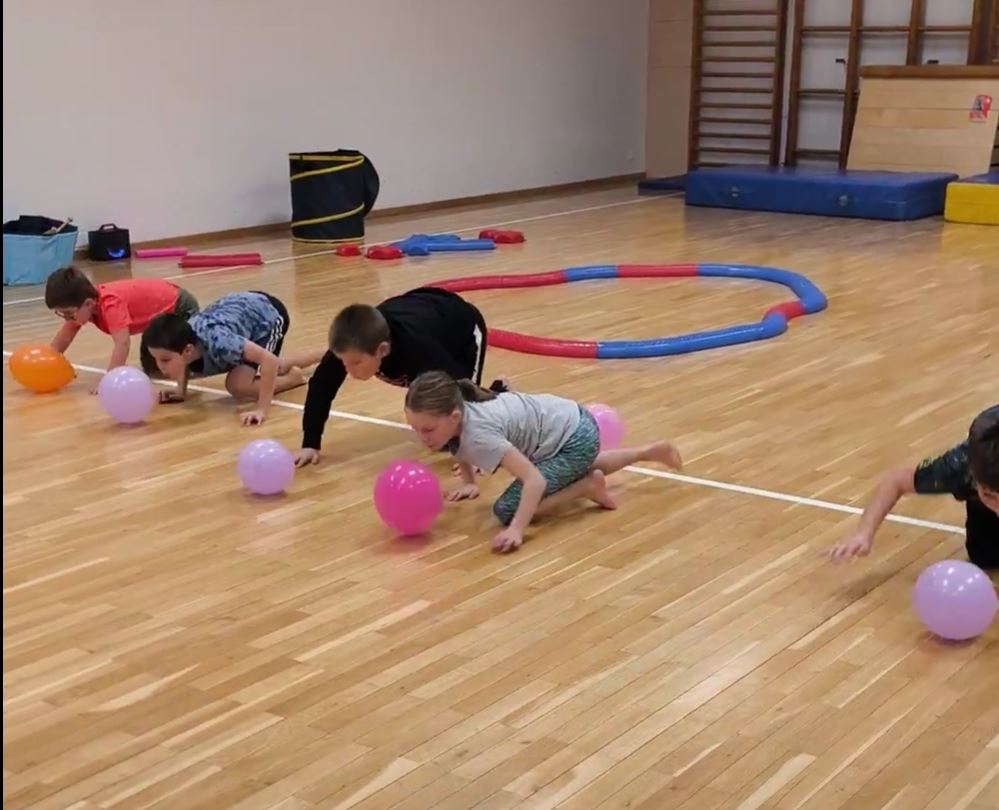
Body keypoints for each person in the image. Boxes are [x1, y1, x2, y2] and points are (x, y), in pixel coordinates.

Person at [403, 371, 683, 553]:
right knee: (578, 463)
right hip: (572, 424)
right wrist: (469, 482)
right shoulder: (458, 417)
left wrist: (517, 529)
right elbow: (457, 445)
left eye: (427, 430)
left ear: (454, 417)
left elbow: (534, 480)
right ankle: (648, 452)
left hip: (574, 437)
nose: (421, 437)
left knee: (506, 509)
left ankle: (586, 486)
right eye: (414, 428)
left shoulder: (479, 435)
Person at [295, 286, 505, 467]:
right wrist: (310, 443)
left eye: (356, 363)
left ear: (382, 349)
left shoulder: (420, 350)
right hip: (421, 313)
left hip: (461, 328)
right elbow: (321, 386)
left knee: (459, 409)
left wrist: (475, 454)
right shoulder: (352, 345)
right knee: (441, 429)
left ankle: (501, 394)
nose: (347, 370)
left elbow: (462, 390)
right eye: (343, 362)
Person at [828, 404, 998, 569]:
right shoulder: (958, 466)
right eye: (990, 496)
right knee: (984, 554)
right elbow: (895, 481)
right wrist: (863, 534)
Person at [142, 290, 323, 426]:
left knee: (238, 384)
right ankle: (326, 352)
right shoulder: (185, 341)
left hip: (268, 317)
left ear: (188, 350)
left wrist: (261, 409)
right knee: (273, 365)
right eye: (156, 359)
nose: (160, 367)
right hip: (244, 311)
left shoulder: (221, 342)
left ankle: (293, 378)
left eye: (165, 360)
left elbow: (268, 360)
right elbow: (182, 361)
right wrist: (181, 390)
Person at [45, 266, 199, 389]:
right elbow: (64, 337)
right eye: (61, 314)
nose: (67, 319)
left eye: (69, 314)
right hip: (159, 318)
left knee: (172, 361)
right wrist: (48, 363)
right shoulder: (86, 306)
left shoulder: (111, 304)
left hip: (180, 307)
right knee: (152, 370)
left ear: (89, 304)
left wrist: (109, 381)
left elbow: (122, 343)